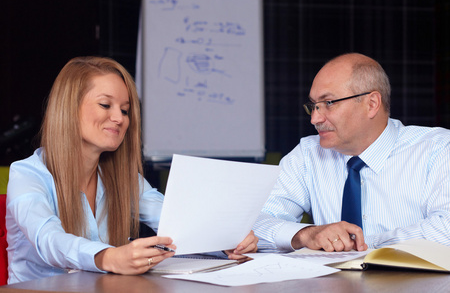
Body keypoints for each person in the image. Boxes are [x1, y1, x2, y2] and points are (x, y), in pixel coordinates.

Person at [6, 56, 258, 284]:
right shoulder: (27, 175)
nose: (120, 118)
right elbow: (49, 240)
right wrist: (109, 257)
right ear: (69, 109)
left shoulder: (123, 179)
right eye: (106, 105)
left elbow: (175, 221)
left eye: (125, 110)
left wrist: (226, 242)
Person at [253, 53, 450, 253]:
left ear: (371, 104)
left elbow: (446, 230)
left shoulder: (438, 149)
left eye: (328, 103)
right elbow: (252, 224)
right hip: (332, 284)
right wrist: (305, 234)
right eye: (313, 106)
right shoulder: (308, 154)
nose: (314, 119)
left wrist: (363, 246)